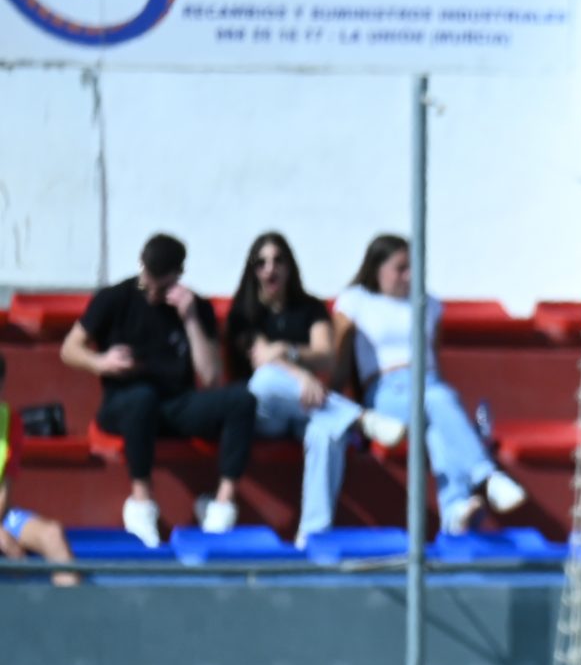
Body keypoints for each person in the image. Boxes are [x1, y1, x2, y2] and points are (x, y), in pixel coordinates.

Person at [61, 233, 256, 545]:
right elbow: (69, 348)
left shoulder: (195, 306)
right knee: (142, 397)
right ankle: (142, 503)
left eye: (162, 286)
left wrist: (190, 319)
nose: (152, 292)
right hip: (123, 403)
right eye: (148, 281)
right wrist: (101, 362)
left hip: (175, 404)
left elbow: (211, 377)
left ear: (178, 276)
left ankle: (220, 505)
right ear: (141, 266)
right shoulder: (115, 298)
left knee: (241, 400)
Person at [334, 235, 527, 536]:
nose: (409, 275)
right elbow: (339, 359)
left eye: (414, 267)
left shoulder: (429, 304)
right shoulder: (355, 300)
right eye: (401, 268)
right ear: (377, 269)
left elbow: (432, 356)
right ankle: (485, 476)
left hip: (428, 387)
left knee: (437, 424)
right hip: (386, 392)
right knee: (438, 400)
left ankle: (454, 511)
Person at [226, 232, 405, 547]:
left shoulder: (309, 307)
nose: (270, 269)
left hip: (308, 408)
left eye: (278, 261)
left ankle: (314, 534)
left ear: (290, 266)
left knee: (326, 432)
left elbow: (325, 353)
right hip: (263, 413)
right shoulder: (244, 312)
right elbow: (261, 361)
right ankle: (361, 419)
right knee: (265, 380)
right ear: (252, 270)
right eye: (262, 263)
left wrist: (288, 350)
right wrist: (301, 375)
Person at [0, 351, 77, 586]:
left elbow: (5, 489)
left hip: (2, 516)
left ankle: (80, 617)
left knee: (52, 534)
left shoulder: (9, 420)